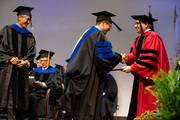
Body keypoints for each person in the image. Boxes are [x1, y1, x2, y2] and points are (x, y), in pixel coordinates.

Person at [63, 11, 122, 120]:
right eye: (109, 25)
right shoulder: (97, 34)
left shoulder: (88, 32)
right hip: (89, 78)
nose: (109, 29)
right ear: (103, 23)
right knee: (87, 111)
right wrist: (120, 57)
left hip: (81, 76)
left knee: (80, 111)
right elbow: (106, 56)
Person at [121, 15, 170, 119]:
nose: (135, 26)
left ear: (146, 24)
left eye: (137, 23)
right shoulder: (139, 39)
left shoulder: (153, 37)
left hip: (150, 79)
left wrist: (133, 67)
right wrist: (125, 57)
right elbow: (134, 54)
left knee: (149, 107)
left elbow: (149, 59)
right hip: (141, 77)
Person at [0, 6, 36, 120]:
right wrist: (10, 58)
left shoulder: (30, 36)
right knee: (11, 100)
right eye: (27, 19)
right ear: (19, 17)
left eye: (30, 20)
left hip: (21, 73)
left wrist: (25, 62)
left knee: (20, 102)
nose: (29, 22)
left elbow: (31, 53)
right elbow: (1, 47)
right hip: (9, 71)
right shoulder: (7, 30)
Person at [29, 49, 63, 120]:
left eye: (45, 61)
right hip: (35, 90)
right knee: (28, 95)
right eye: (41, 61)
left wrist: (42, 84)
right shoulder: (36, 71)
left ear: (50, 60)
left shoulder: (53, 71)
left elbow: (56, 84)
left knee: (33, 96)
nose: (43, 63)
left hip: (48, 92)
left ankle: (37, 117)